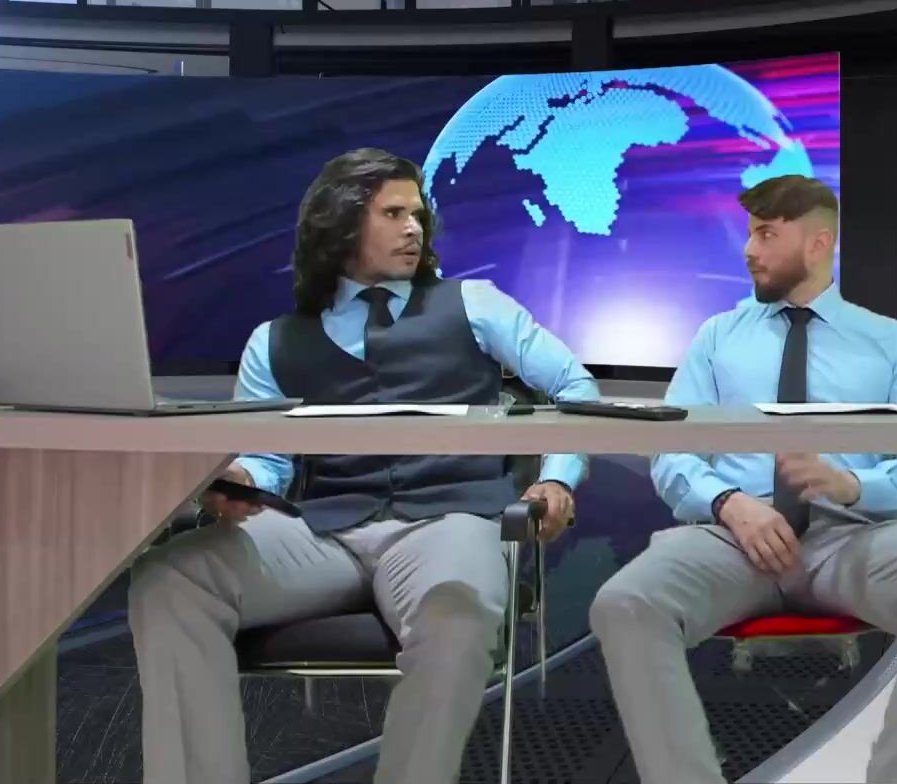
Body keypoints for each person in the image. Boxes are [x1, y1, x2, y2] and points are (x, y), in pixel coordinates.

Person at [127, 148, 599, 784]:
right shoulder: (274, 341)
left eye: (417, 215)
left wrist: (557, 476)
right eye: (393, 214)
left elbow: (575, 386)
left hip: (450, 522)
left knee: (457, 615)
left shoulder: (475, 304)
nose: (413, 229)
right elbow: (266, 460)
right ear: (343, 223)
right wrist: (240, 482)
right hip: (324, 533)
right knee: (168, 579)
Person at [589, 174, 897, 784]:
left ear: (818, 244)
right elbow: (671, 453)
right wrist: (729, 504)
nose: (748, 250)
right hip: (734, 538)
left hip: (854, 535)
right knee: (624, 603)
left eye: (766, 235)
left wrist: (852, 486)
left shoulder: (892, 343)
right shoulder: (717, 338)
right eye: (750, 234)